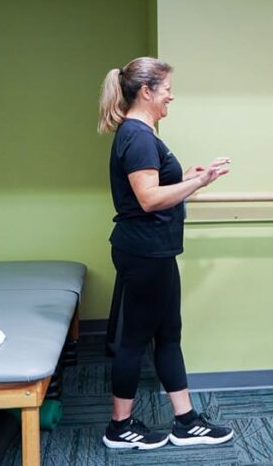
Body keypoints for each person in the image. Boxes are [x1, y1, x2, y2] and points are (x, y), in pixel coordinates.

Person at [97, 56, 235, 450]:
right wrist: (199, 184)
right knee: (135, 340)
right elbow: (148, 199)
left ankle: (186, 420)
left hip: (151, 250)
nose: (171, 96)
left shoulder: (140, 133)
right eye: (167, 89)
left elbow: (156, 189)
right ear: (146, 91)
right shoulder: (138, 136)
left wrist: (189, 178)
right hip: (145, 252)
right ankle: (119, 427)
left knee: (168, 334)